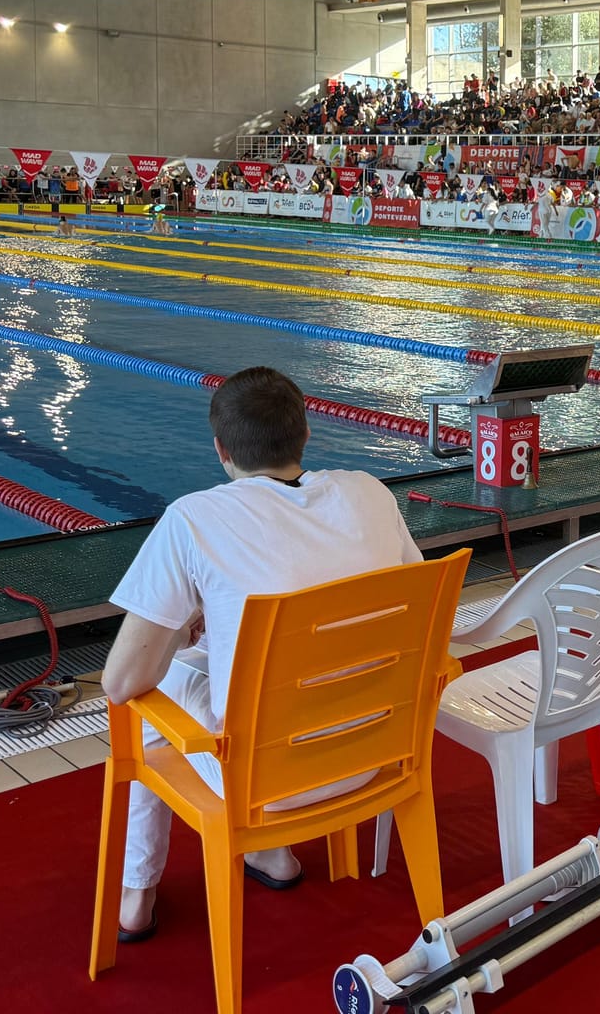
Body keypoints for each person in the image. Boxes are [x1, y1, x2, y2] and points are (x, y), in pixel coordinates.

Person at [101, 367, 422, 941]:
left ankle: (136, 894)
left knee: (152, 696)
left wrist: (181, 628)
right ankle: (273, 857)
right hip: (374, 752)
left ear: (221, 450)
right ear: (305, 435)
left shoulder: (193, 519)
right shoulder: (370, 493)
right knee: (255, 674)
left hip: (264, 784)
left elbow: (121, 681)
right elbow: (414, 612)